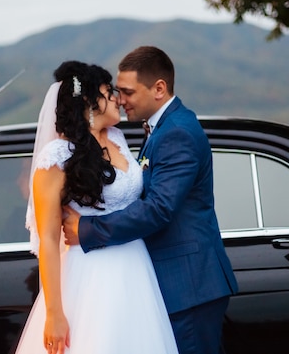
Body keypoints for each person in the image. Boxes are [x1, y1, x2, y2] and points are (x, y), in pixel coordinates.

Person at [63, 46, 238, 354]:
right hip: (173, 282)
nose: (120, 99)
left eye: (128, 92)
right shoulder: (160, 128)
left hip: (188, 285)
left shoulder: (177, 133)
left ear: (159, 88)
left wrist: (88, 229)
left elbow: (159, 209)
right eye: (116, 91)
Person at [15, 60, 178, 354]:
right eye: (108, 91)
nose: (117, 98)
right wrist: (54, 313)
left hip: (136, 269)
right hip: (90, 276)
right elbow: (49, 239)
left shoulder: (117, 138)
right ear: (90, 101)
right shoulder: (58, 157)